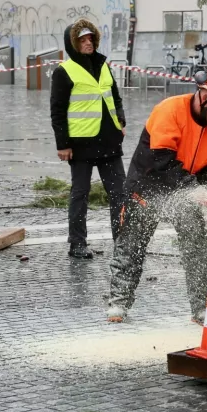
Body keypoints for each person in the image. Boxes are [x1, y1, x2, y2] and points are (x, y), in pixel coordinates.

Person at [107, 69, 207, 324]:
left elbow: (201, 171)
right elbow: (162, 162)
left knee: (197, 245)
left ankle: (202, 308)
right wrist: (195, 189)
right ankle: (118, 303)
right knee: (131, 247)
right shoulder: (169, 110)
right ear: (204, 95)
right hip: (146, 186)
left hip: (181, 193)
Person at [50, 20, 128, 259]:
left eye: (90, 39)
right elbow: (57, 111)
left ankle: (123, 241)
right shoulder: (64, 71)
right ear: (73, 43)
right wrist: (63, 145)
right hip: (81, 143)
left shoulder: (103, 66)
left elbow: (114, 96)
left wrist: (121, 122)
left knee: (120, 195)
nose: (88, 43)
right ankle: (77, 244)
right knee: (80, 195)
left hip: (109, 141)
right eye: (83, 40)